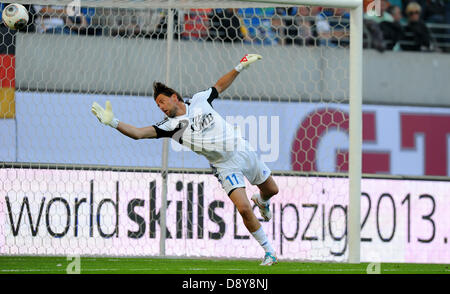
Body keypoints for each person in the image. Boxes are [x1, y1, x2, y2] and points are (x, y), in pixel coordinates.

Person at [91, 54, 280, 266]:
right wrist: (113, 122)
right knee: (244, 209)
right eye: (158, 106)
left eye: (162, 102)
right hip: (225, 167)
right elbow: (138, 133)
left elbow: (219, 85)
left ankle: (262, 201)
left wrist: (240, 66)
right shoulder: (171, 127)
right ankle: (269, 251)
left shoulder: (200, 100)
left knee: (272, 190)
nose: (161, 107)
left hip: (242, 150)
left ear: (174, 97)